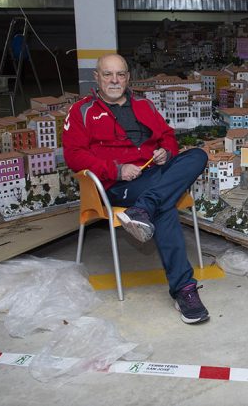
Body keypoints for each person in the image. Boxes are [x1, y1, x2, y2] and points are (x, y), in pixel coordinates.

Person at [63, 53, 209, 324]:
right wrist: (116, 169)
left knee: (198, 156)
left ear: (128, 77)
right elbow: (74, 156)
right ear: (97, 77)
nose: (115, 80)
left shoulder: (144, 104)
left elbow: (167, 135)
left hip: (153, 172)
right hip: (118, 184)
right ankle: (184, 289)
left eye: (120, 74)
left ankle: (143, 208)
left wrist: (167, 150)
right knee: (164, 205)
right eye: (108, 74)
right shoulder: (82, 111)